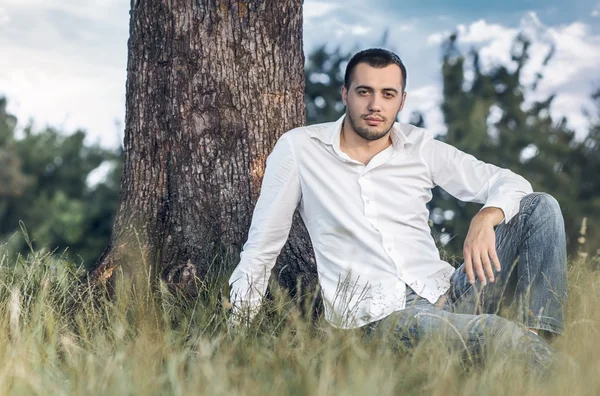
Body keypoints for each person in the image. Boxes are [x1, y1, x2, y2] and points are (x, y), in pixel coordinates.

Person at [228, 48, 567, 376]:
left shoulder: (419, 147)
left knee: (539, 207)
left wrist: (487, 215)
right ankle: (555, 370)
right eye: (365, 92)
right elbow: (262, 246)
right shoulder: (300, 148)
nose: (375, 105)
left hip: (449, 290)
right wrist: (236, 337)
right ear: (345, 94)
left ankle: (537, 343)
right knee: (496, 333)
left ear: (401, 101)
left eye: (388, 94)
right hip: (382, 318)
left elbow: (510, 182)